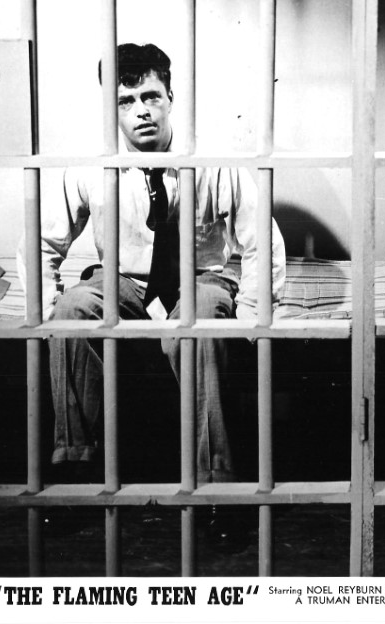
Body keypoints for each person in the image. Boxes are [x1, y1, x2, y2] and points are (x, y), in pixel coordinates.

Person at [18, 42, 286, 486]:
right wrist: (46, 315)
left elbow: (263, 239)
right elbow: (40, 241)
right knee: (71, 311)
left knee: (200, 319)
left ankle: (213, 477)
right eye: (126, 101)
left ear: (170, 99)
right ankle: (78, 467)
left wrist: (252, 316)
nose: (140, 111)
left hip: (199, 279)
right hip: (120, 282)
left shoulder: (212, 160)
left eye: (150, 97)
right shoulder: (92, 164)